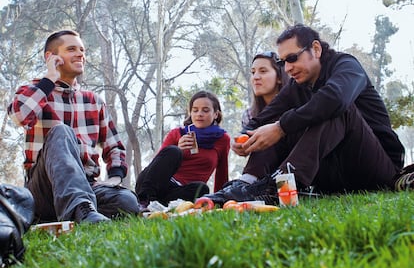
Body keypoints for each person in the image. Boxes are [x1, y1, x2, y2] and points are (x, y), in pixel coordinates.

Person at [206, 24, 410, 205]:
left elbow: (335, 100)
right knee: (274, 125)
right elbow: (268, 115)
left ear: (316, 49)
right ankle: (245, 185)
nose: (287, 68)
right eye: (282, 62)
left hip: (376, 167)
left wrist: (280, 127)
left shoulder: (346, 65)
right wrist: (246, 136)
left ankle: (277, 186)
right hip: (335, 176)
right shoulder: (296, 85)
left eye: (292, 58)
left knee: (333, 109)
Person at [8, 30, 142, 224]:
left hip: (87, 184)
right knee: (62, 131)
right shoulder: (35, 90)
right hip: (43, 187)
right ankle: (82, 211)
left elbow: (115, 147)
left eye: (82, 50)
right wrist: (50, 77)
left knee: (127, 201)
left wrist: (114, 177)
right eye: (71, 49)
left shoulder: (94, 101)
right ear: (51, 57)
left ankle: (80, 210)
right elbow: (19, 116)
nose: (80, 54)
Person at [135, 90, 230, 207]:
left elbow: (222, 172)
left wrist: (222, 201)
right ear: (190, 113)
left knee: (202, 188)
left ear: (216, 114)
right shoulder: (177, 133)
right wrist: (178, 148)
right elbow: (156, 166)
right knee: (173, 151)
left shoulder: (222, 139)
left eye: (205, 110)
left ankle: (161, 204)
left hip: (179, 191)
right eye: (195, 110)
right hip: (154, 184)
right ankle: (144, 202)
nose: (199, 114)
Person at [218, 51, 289, 203]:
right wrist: (239, 145)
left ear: (279, 77)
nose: (256, 77)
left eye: (263, 71)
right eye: (253, 72)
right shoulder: (249, 115)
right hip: (264, 174)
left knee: (270, 128)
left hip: (291, 169)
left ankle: (245, 183)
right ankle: (246, 184)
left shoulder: (293, 106)